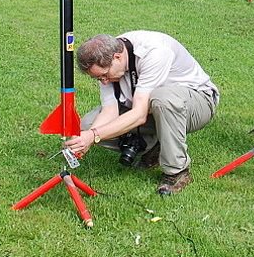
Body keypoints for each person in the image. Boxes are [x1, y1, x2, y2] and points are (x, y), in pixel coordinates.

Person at [65, 31, 220, 196]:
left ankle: (177, 172)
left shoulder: (153, 52)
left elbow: (139, 114)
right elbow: (110, 111)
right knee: (88, 125)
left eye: (104, 75)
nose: (104, 82)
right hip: (151, 109)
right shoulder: (108, 60)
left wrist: (94, 135)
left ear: (117, 57)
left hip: (198, 103)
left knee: (162, 99)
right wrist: (87, 138)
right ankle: (154, 147)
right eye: (98, 78)